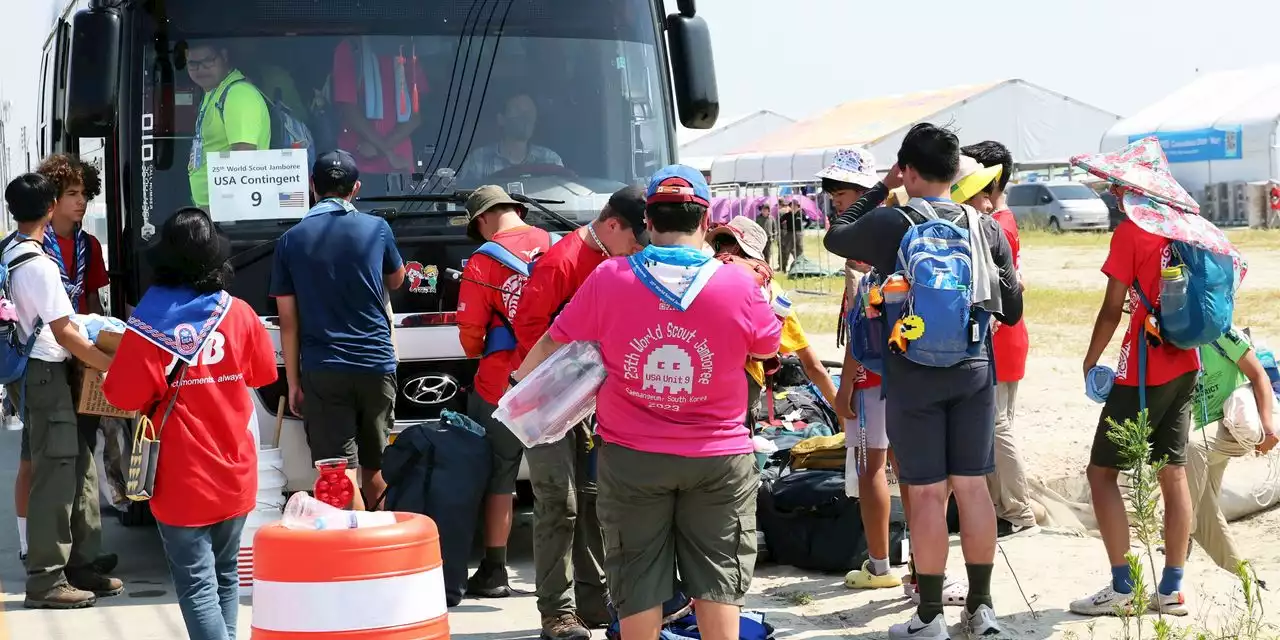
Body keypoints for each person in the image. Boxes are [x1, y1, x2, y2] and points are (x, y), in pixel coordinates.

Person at [512, 164, 781, 640]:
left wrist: (518, 384)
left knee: (637, 583)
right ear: (705, 221)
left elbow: (555, 342)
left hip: (632, 458)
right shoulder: (739, 284)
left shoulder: (610, 277)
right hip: (717, 459)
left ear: (649, 223)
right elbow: (765, 347)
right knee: (718, 583)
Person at [823, 124, 1023, 639]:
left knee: (928, 495)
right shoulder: (985, 226)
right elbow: (1015, 305)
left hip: (911, 374)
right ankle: (980, 611)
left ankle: (930, 617)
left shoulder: (893, 221)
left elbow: (835, 235)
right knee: (973, 489)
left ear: (907, 170)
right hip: (974, 369)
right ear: (956, 171)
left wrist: (879, 187)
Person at [104, 207, 277, 640]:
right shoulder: (238, 312)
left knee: (197, 584)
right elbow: (263, 375)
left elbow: (123, 396)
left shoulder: (148, 323)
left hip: (181, 478)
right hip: (235, 469)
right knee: (226, 577)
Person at [511, 186, 648, 639]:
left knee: (592, 498)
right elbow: (530, 336)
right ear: (612, 226)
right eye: (635, 239)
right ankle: (556, 611)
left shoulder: (618, 262)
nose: (640, 250)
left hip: (591, 398)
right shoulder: (561, 263)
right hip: (544, 397)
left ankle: (593, 602)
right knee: (558, 502)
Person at [1072, 144, 1203, 617]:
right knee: (1173, 472)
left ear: (1131, 189)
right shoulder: (1184, 226)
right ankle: (1172, 588)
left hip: (1143, 368)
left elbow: (1112, 308)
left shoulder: (1133, 232)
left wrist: (1090, 360)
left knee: (1102, 473)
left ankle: (1122, 585)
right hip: (1187, 361)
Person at [2, 173, 118, 609]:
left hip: (32, 376)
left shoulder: (10, 252)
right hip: (46, 374)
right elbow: (65, 331)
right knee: (56, 474)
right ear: (50, 207)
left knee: (78, 465)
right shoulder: (39, 263)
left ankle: (81, 564)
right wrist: (110, 365)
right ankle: (47, 579)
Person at [270, 150, 405, 510]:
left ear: (312, 186)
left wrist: (294, 382)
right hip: (377, 365)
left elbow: (288, 320)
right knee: (375, 470)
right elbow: (397, 278)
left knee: (338, 475)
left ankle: (357, 555)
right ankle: (379, 548)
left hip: (324, 368)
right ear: (356, 188)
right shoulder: (377, 228)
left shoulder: (291, 240)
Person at [457, 185, 557, 598]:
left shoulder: (482, 261)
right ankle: (562, 576)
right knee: (557, 480)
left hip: (501, 385)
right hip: (555, 383)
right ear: (516, 209)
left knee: (500, 476)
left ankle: (494, 571)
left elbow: (470, 337)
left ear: (482, 219)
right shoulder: (556, 247)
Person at [962, 141, 1039, 539]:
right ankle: (1003, 508)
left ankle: (1019, 511)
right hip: (1001, 335)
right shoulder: (998, 219)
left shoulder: (998, 224)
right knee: (993, 425)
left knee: (997, 425)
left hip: (1002, 336)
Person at [706, 216, 836, 410]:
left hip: (695, 377)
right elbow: (812, 365)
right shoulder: (769, 290)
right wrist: (840, 409)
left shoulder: (700, 274)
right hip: (742, 385)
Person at [1185, 327, 1278, 574]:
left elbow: (1259, 376)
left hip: (1232, 426)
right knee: (1205, 509)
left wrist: (1268, 428)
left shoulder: (1222, 330)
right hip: (1201, 429)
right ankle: (1241, 576)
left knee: (1192, 448)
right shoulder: (1173, 332)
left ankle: (1179, 532)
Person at [185, 41, 272, 208]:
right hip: (214, 208)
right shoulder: (214, 92)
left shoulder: (238, 95)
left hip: (227, 210)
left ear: (224, 56)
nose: (201, 69)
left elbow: (243, 157)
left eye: (208, 60)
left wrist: (226, 214)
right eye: (193, 63)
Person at [331, 37, 428, 180]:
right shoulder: (351, 47)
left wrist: (382, 150)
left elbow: (416, 115)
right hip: (358, 165)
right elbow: (349, 109)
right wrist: (388, 152)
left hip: (401, 166)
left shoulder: (407, 50)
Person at [458, 93, 565, 184]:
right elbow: (465, 202)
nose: (526, 117)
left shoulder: (551, 160)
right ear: (501, 119)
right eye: (518, 110)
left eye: (530, 112)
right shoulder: (478, 160)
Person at [777, 199, 804, 273]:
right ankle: (783, 268)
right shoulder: (787, 215)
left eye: (795, 206)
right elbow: (780, 221)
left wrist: (803, 227)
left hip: (798, 234)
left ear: (798, 207)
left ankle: (799, 267)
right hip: (789, 234)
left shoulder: (801, 214)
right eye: (792, 205)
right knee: (786, 250)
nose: (794, 207)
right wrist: (783, 228)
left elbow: (809, 221)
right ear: (790, 206)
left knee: (799, 251)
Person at [754, 202, 778, 267]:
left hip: (769, 238)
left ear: (768, 211)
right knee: (760, 253)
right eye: (762, 210)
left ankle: (767, 266)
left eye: (765, 210)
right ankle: (762, 266)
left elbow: (775, 229)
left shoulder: (772, 218)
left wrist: (774, 237)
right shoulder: (758, 218)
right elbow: (755, 228)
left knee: (767, 254)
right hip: (760, 239)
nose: (764, 211)